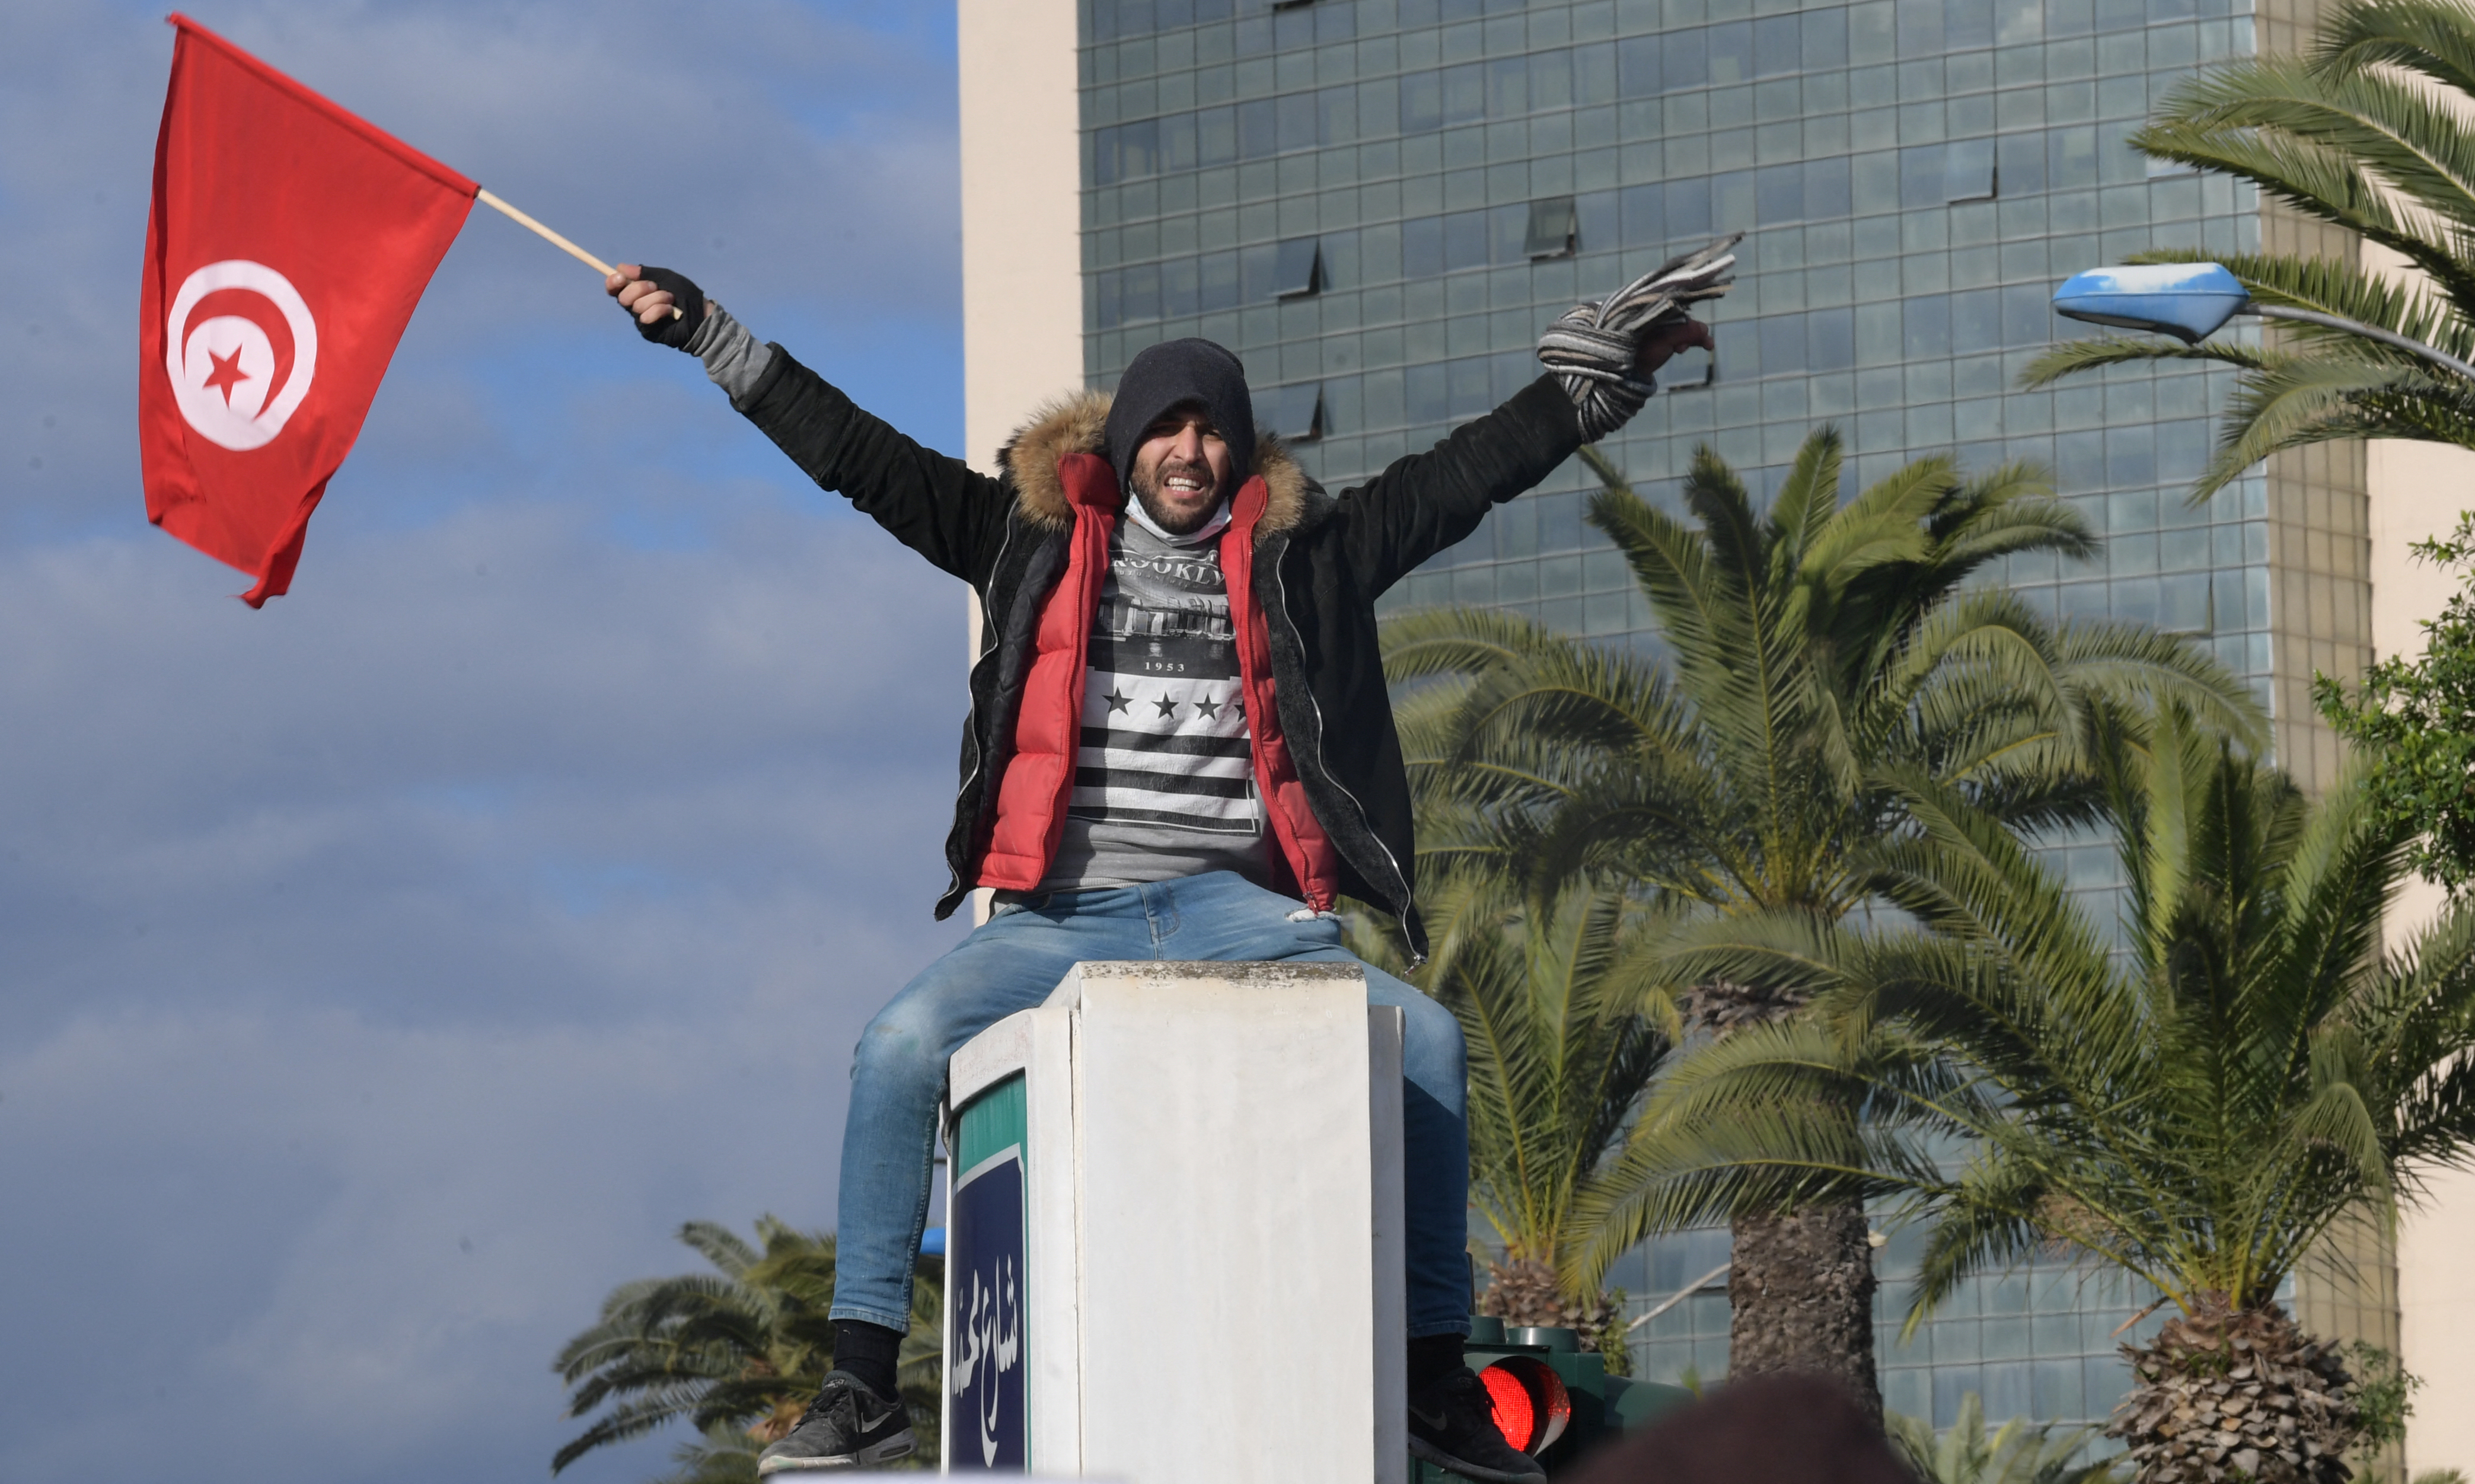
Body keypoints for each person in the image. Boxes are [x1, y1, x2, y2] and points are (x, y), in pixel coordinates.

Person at [607, 246, 1727, 1481]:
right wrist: (711, 333)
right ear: (1131, 440)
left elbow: (1456, 480)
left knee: (1428, 1044)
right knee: (894, 1048)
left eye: (1214, 434)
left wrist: (1586, 395)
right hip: (1058, 912)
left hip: (1242, 915)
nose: (1191, 454)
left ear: (1239, 454)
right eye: (1170, 429)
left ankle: (1426, 1380)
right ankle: (860, 1382)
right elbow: (856, 457)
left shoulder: (1306, 557)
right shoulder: (1018, 537)